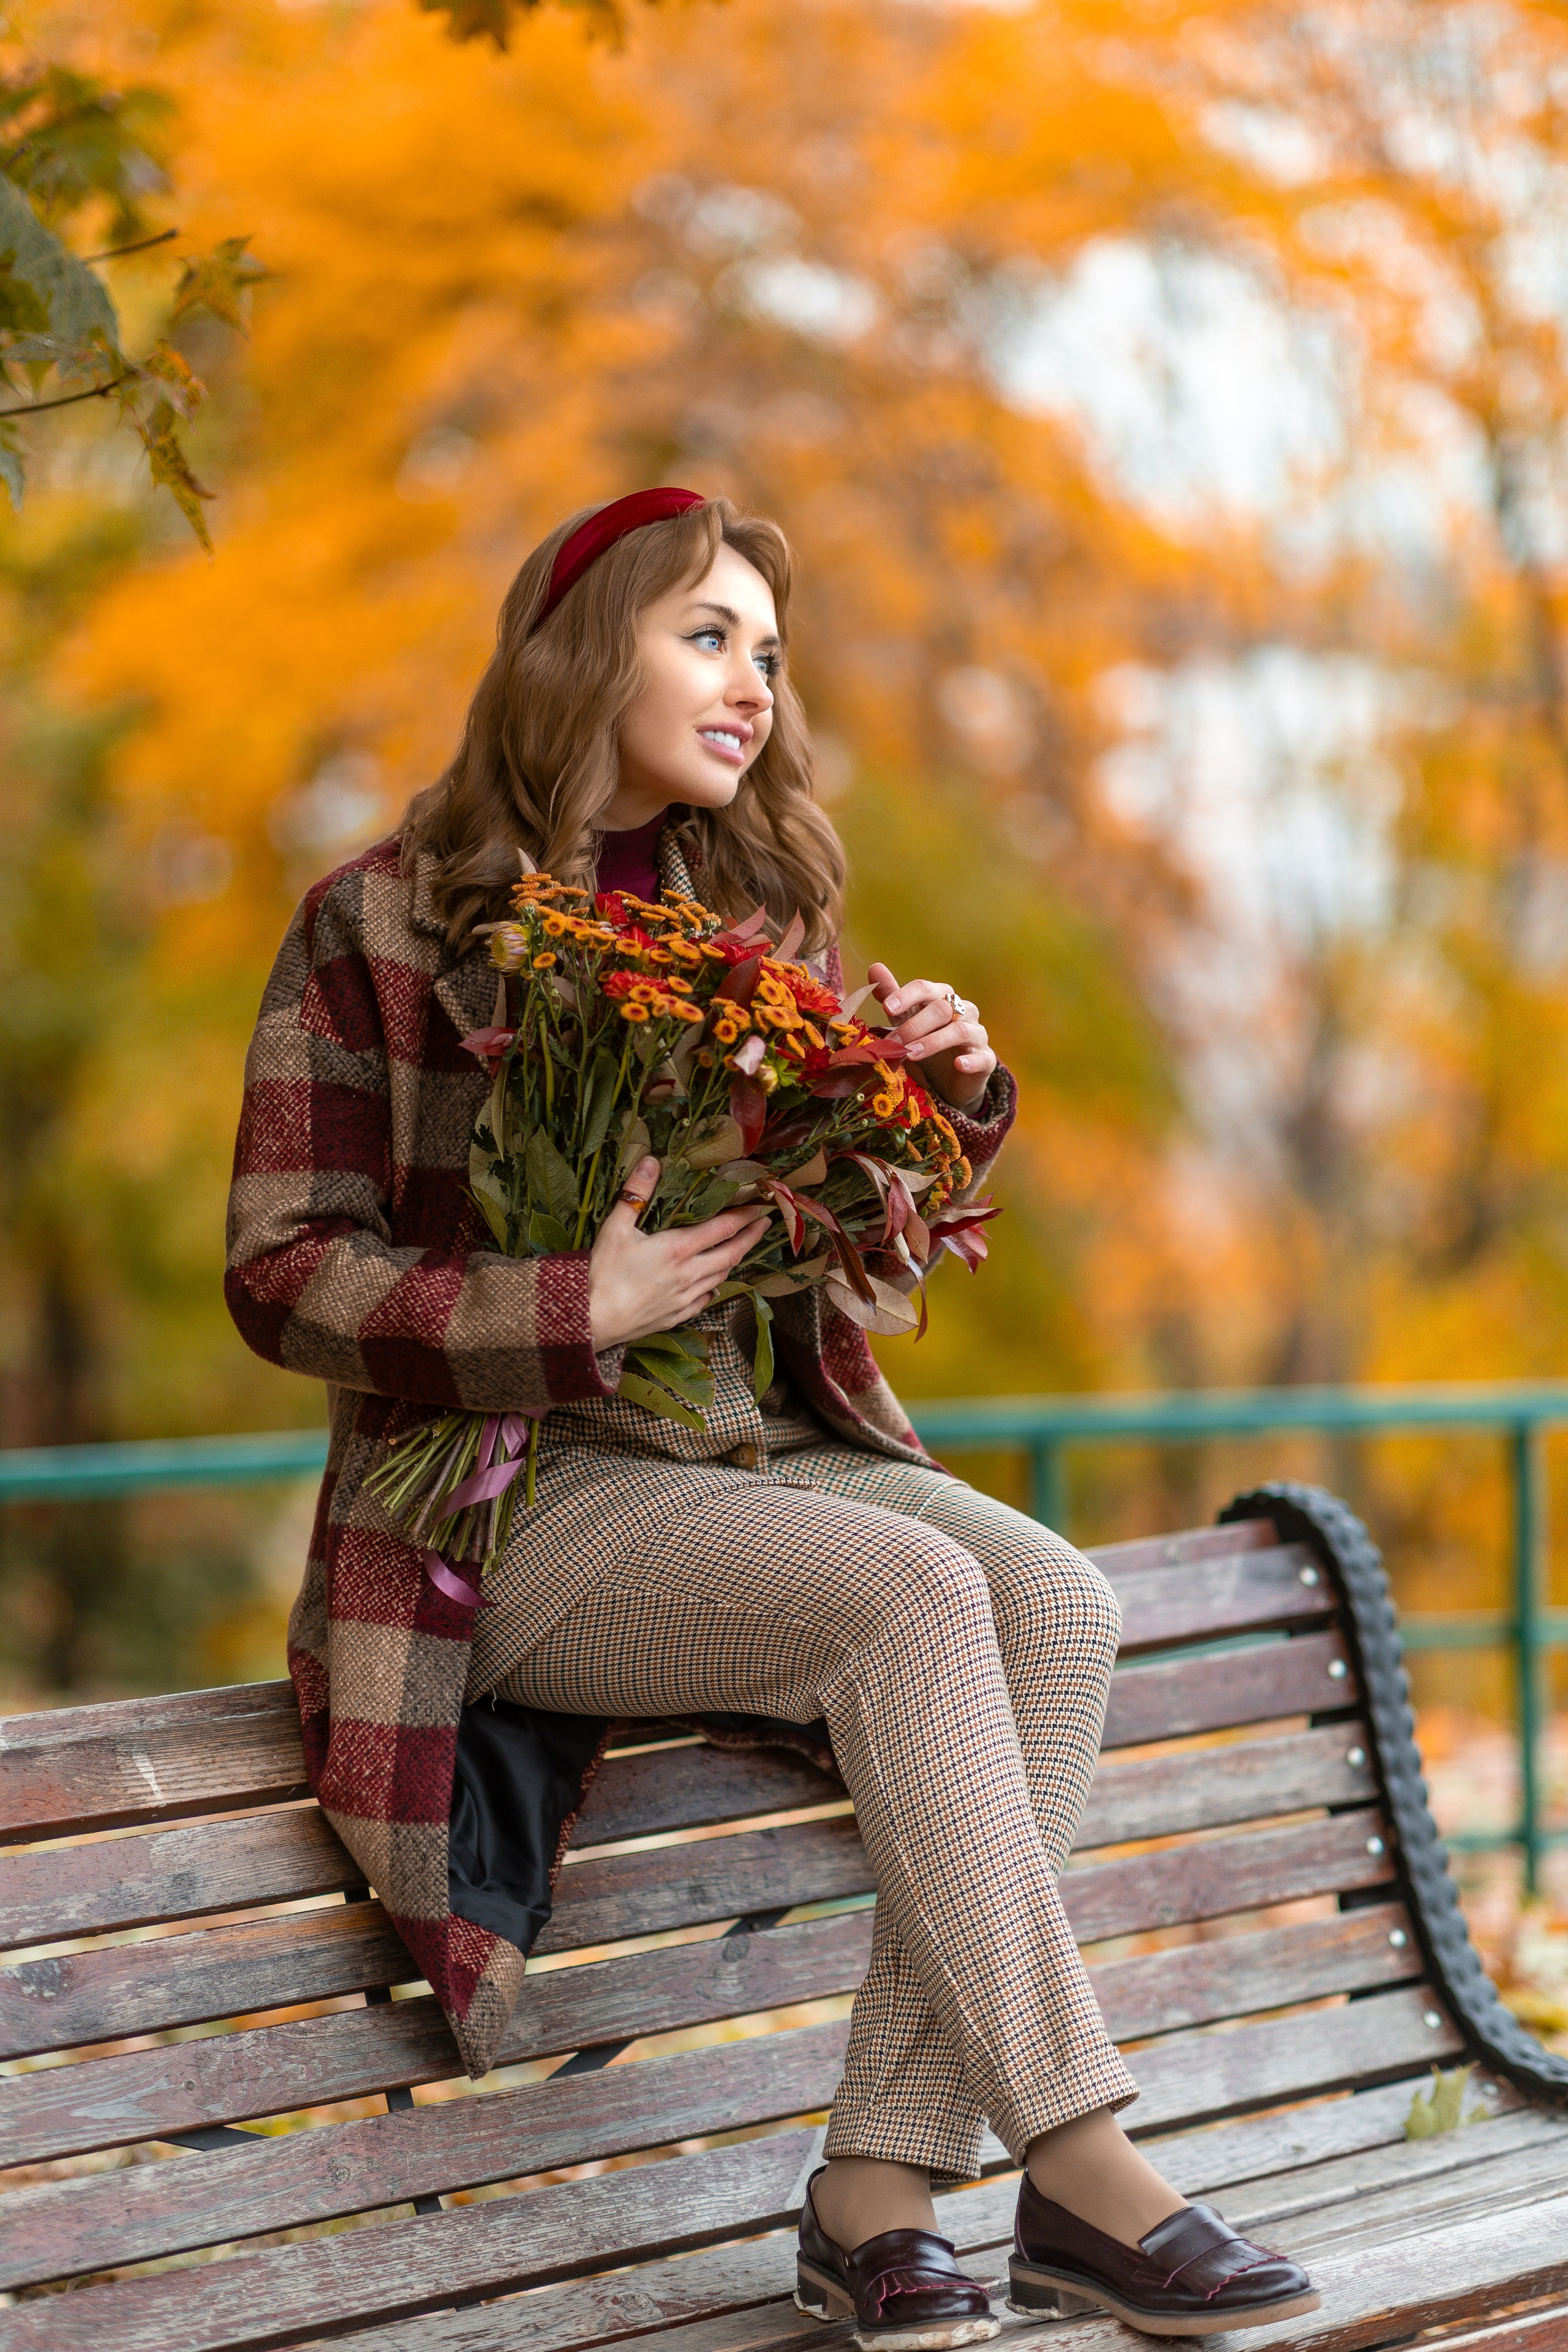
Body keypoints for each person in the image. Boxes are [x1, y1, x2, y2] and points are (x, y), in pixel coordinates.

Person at [226, 488, 1316, 2344]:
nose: (751, 685)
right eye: (707, 637)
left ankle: (877, 2192)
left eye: (769, 654)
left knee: (1060, 1600)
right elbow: (280, 1269)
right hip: (513, 1497)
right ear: (589, 651)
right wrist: (578, 1308)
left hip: (753, 1445)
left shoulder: (758, 910)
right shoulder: (381, 923)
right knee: (909, 1595)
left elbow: (841, 1266)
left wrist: (931, 1106)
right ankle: (1083, 2156)